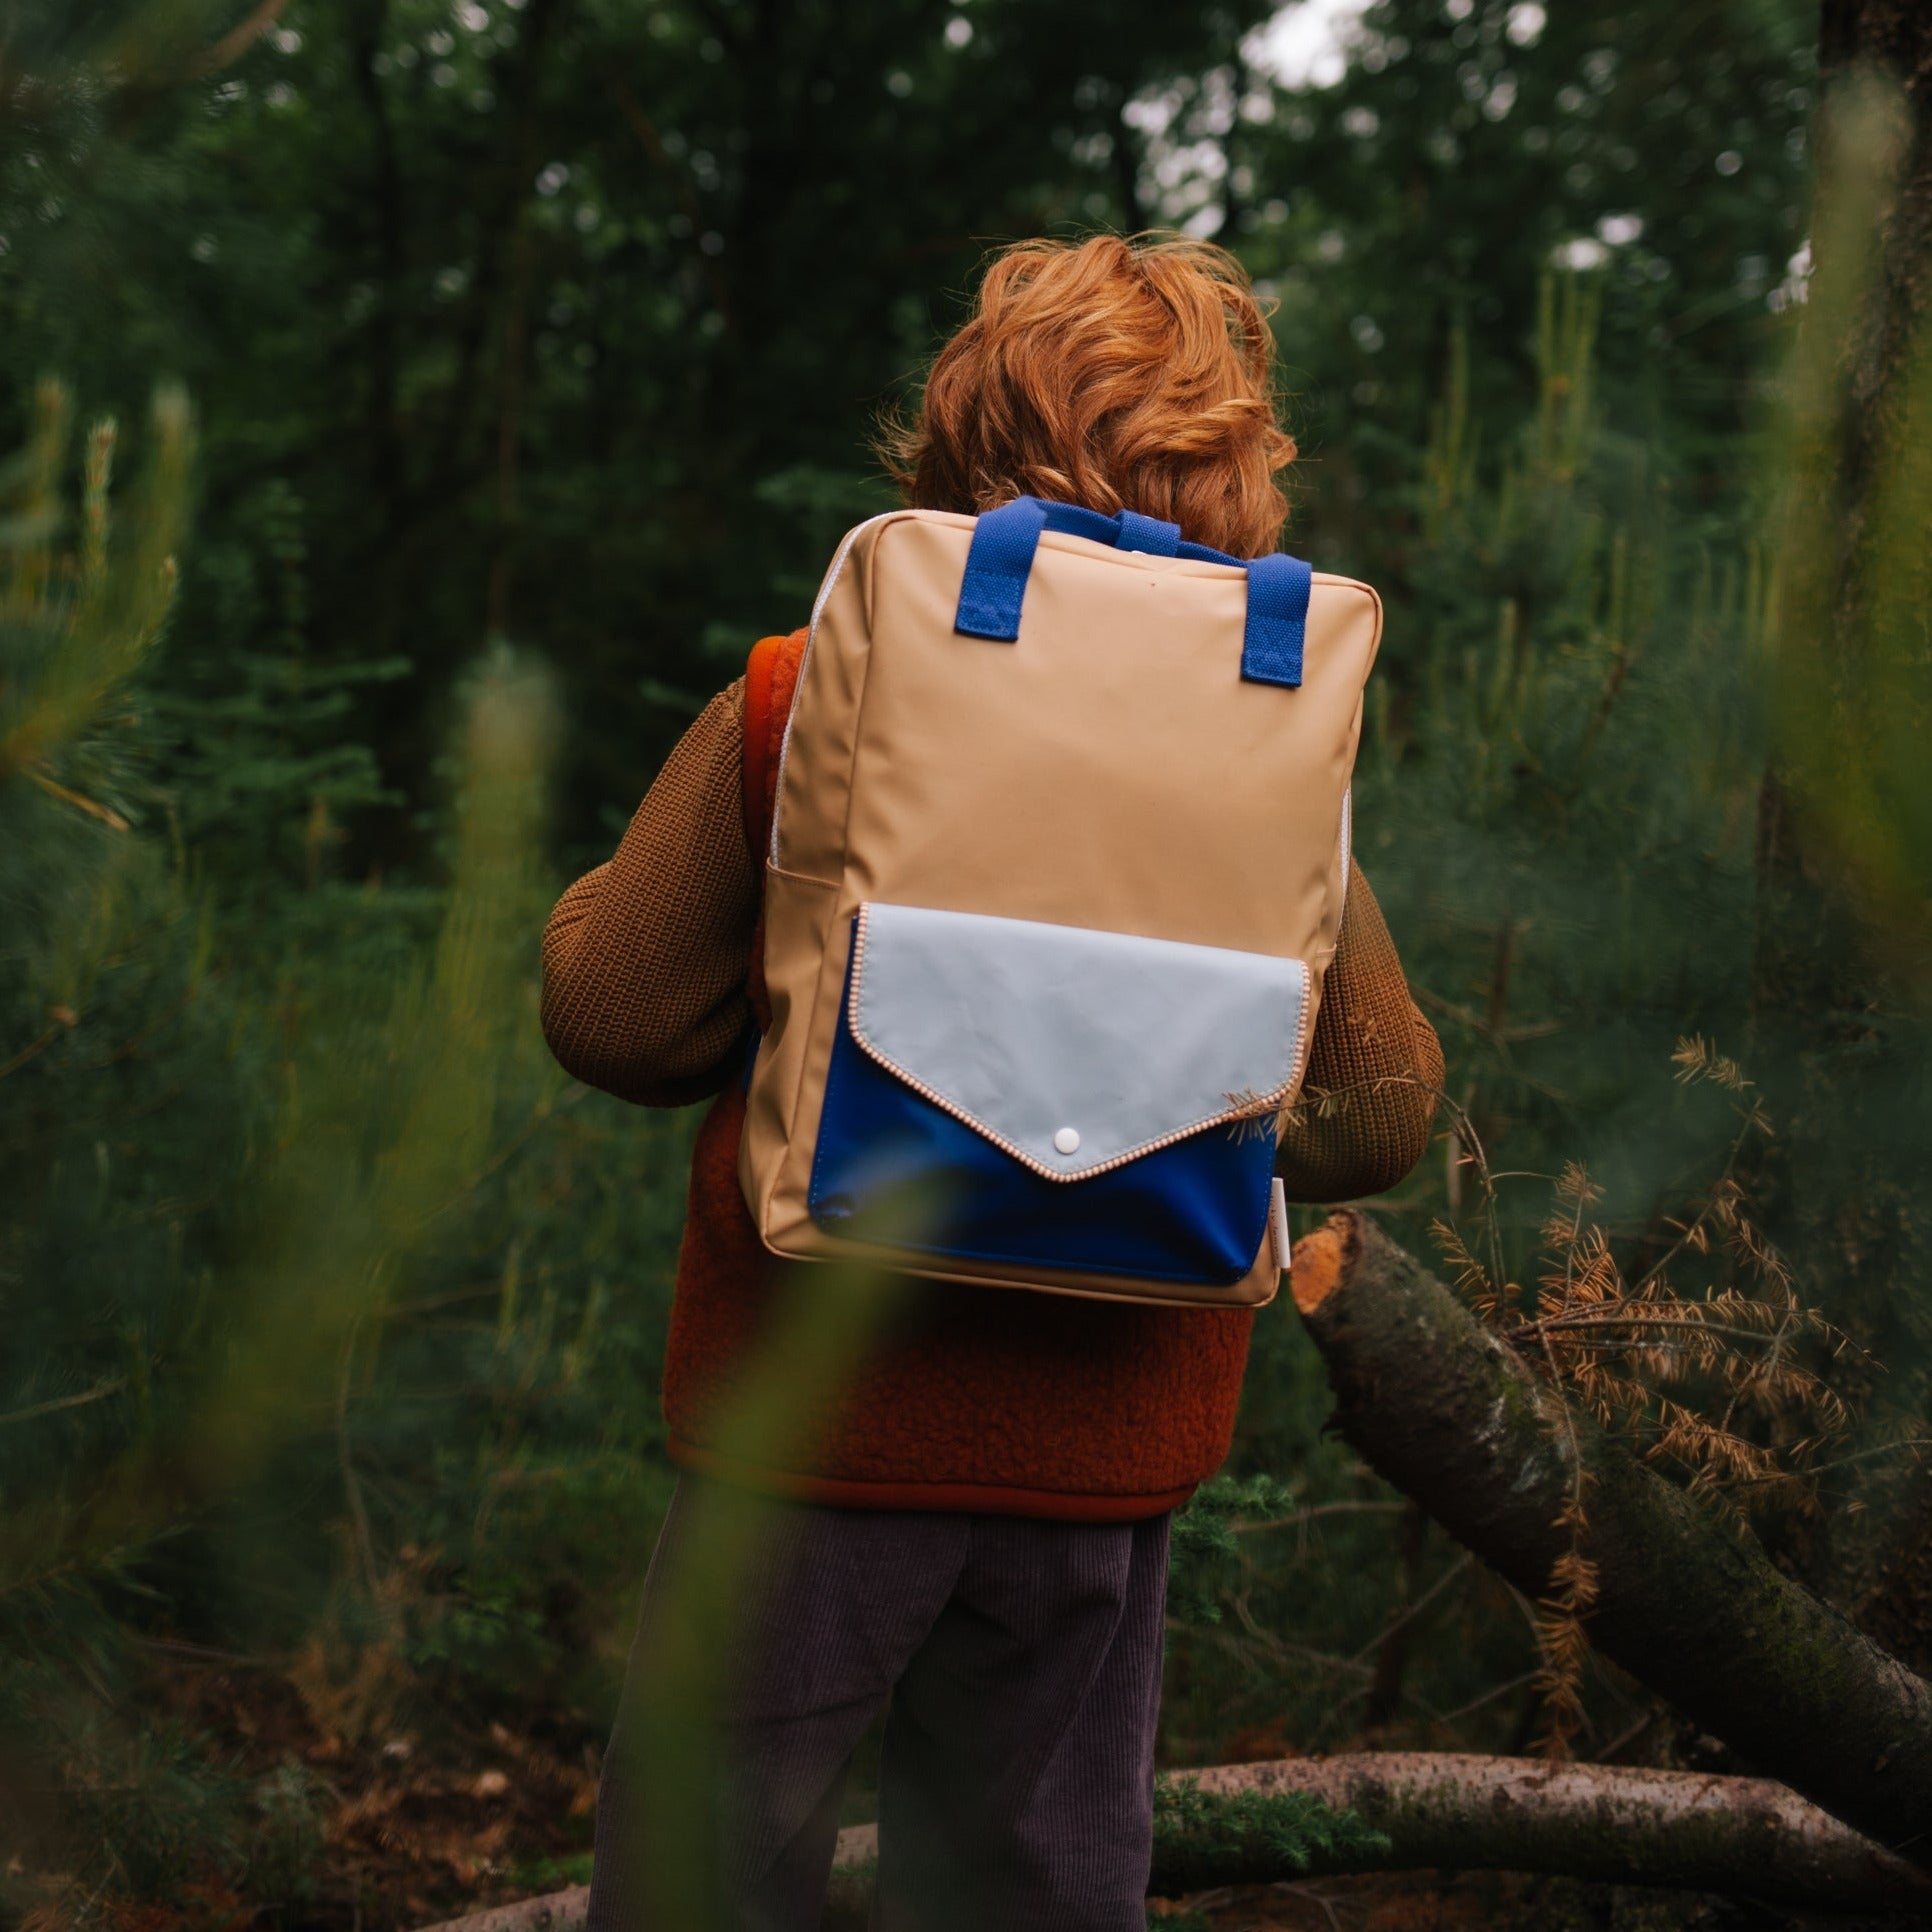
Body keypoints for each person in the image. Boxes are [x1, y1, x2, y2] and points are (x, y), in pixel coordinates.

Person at [540, 232, 1444, 1932]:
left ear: (958, 442)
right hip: (1101, 1455)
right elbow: (1380, 1115)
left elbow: (608, 1017)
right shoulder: (1280, 755)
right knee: (1033, 1891)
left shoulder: (812, 694)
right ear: (1238, 475)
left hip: (805, 1437)